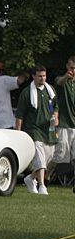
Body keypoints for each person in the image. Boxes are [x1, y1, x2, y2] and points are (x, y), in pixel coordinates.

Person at [16, 65, 57, 195]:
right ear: (33, 76)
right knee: (40, 159)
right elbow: (20, 114)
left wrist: (56, 118)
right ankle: (42, 186)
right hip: (33, 129)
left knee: (49, 158)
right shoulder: (27, 93)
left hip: (48, 130)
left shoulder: (50, 90)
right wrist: (18, 133)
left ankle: (31, 178)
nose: (42, 78)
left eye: (44, 76)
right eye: (39, 76)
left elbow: (55, 107)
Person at [47, 55, 75, 189]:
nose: (73, 71)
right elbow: (59, 83)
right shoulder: (62, 80)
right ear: (67, 67)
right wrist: (67, 76)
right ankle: (46, 174)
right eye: (72, 68)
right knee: (60, 153)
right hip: (64, 123)